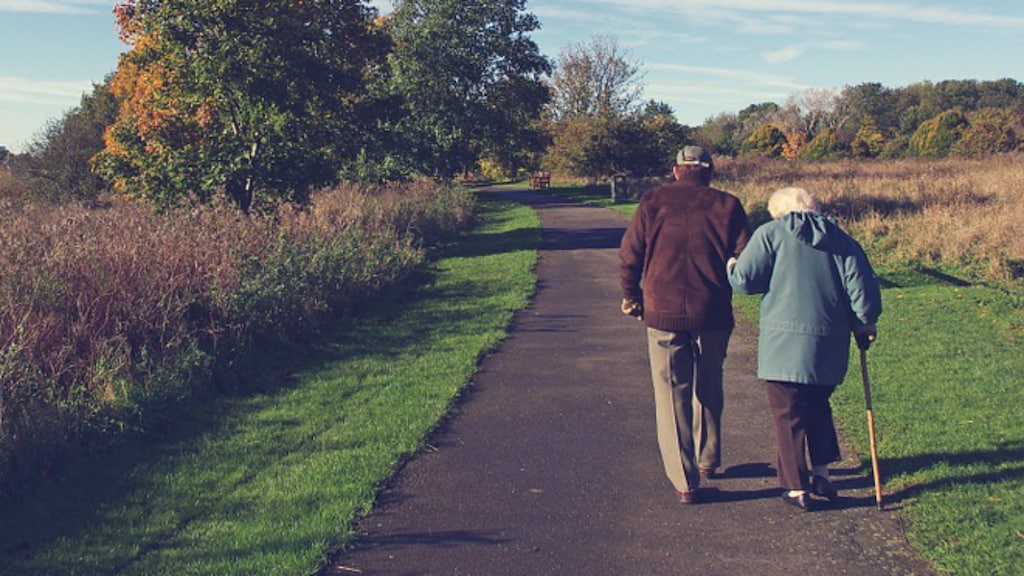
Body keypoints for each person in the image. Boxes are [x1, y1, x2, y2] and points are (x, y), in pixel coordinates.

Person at [726, 187, 882, 512]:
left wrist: (731, 265)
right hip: (829, 342)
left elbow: (744, 281)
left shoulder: (770, 234)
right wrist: (865, 323)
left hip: (783, 345)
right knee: (818, 405)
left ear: (778, 211)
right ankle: (822, 473)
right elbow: (862, 292)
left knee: (788, 414)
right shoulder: (842, 239)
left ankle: (796, 487)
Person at [619, 145, 751, 504]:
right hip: (713, 312)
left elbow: (630, 253)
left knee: (671, 395)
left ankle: (685, 481)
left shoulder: (652, 201)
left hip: (662, 311)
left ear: (676, 171)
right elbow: (745, 258)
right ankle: (708, 458)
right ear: (709, 172)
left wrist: (631, 295)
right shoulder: (728, 205)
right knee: (709, 385)